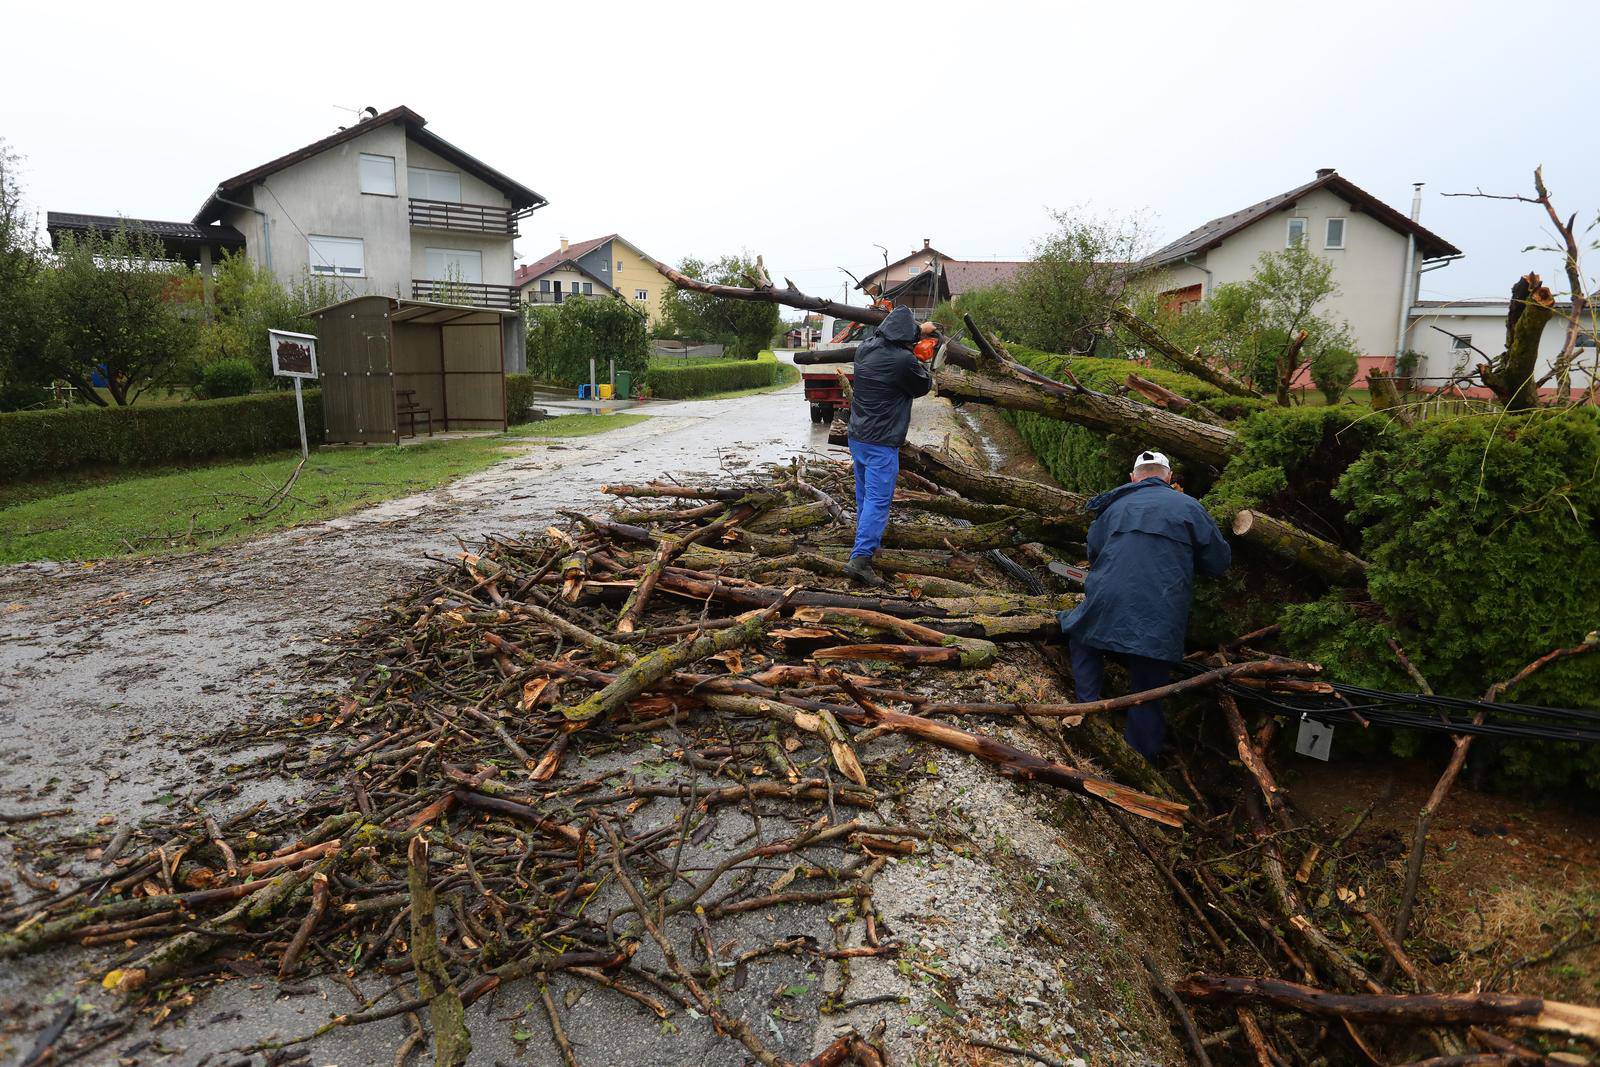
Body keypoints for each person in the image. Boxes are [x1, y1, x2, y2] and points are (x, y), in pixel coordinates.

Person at [1057, 449, 1232, 760]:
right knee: (1148, 692)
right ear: (1169, 478)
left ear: (1133, 478)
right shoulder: (1191, 507)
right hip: (1161, 615)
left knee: (1081, 636)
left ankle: (1086, 706)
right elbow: (1218, 562)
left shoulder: (1113, 506)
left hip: (1107, 602)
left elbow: (1095, 554)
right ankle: (1140, 760)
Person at [843, 305, 936, 587]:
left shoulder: (866, 349)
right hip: (881, 442)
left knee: (865, 496)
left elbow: (894, 332)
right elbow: (923, 386)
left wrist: (920, 331)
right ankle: (860, 560)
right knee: (879, 500)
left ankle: (866, 542)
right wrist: (922, 359)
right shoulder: (903, 362)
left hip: (857, 436)